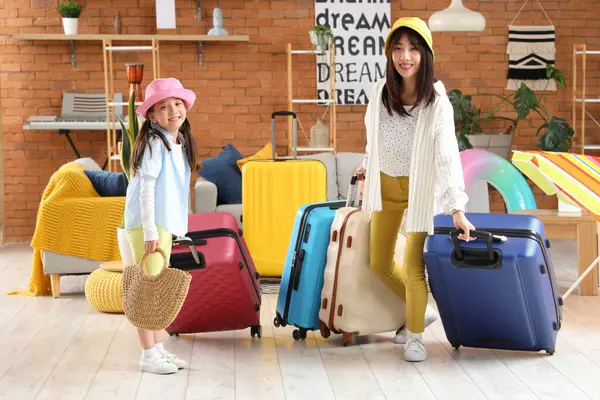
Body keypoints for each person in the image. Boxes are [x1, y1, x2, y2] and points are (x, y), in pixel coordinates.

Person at [356, 17, 475, 362]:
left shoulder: (437, 102)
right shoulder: (380, 92)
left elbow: (447, 155)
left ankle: (416, 337)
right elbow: (372, 136)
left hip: (421, 189)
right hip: (384, 186)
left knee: (412, 267)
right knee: (377, 263)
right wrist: (367, 163)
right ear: (389, 54)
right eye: (397, 48)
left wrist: (456, 208)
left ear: (425, 54)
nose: (404, 56)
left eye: (412, 48)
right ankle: (416, 313)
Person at [123, 77, 199, 374]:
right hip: (148, 224)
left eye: (178, 104)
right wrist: (151, 234)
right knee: (146, 288)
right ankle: (147, 355)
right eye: (164, 106)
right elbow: (146, 191)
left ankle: (156, 349)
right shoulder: (155, 143)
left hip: (161, 224)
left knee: (154, 285)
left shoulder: (176, 142)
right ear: (152, 116)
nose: (173, 110)